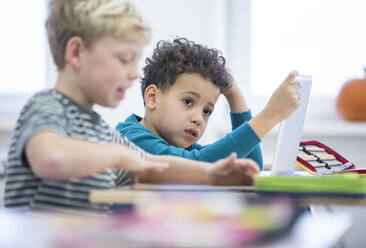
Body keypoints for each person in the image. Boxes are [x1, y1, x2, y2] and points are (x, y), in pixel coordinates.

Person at [4, 0, 259, 213]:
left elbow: (151, 165)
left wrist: (212, 173)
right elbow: (50, 159)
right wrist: (117, 155)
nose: (134, 73)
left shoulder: (101, 131)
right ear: (76, 52)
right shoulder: (47, 107)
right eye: (124, 59)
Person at [116, 38, 301, 171]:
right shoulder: (131, 140)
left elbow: (251, 165)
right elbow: (200, 163)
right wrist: (270, 116)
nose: (198, 118)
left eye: (207, 111)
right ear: (153, 97)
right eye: (188, 101)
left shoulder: (179, 147)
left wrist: (234, 96)